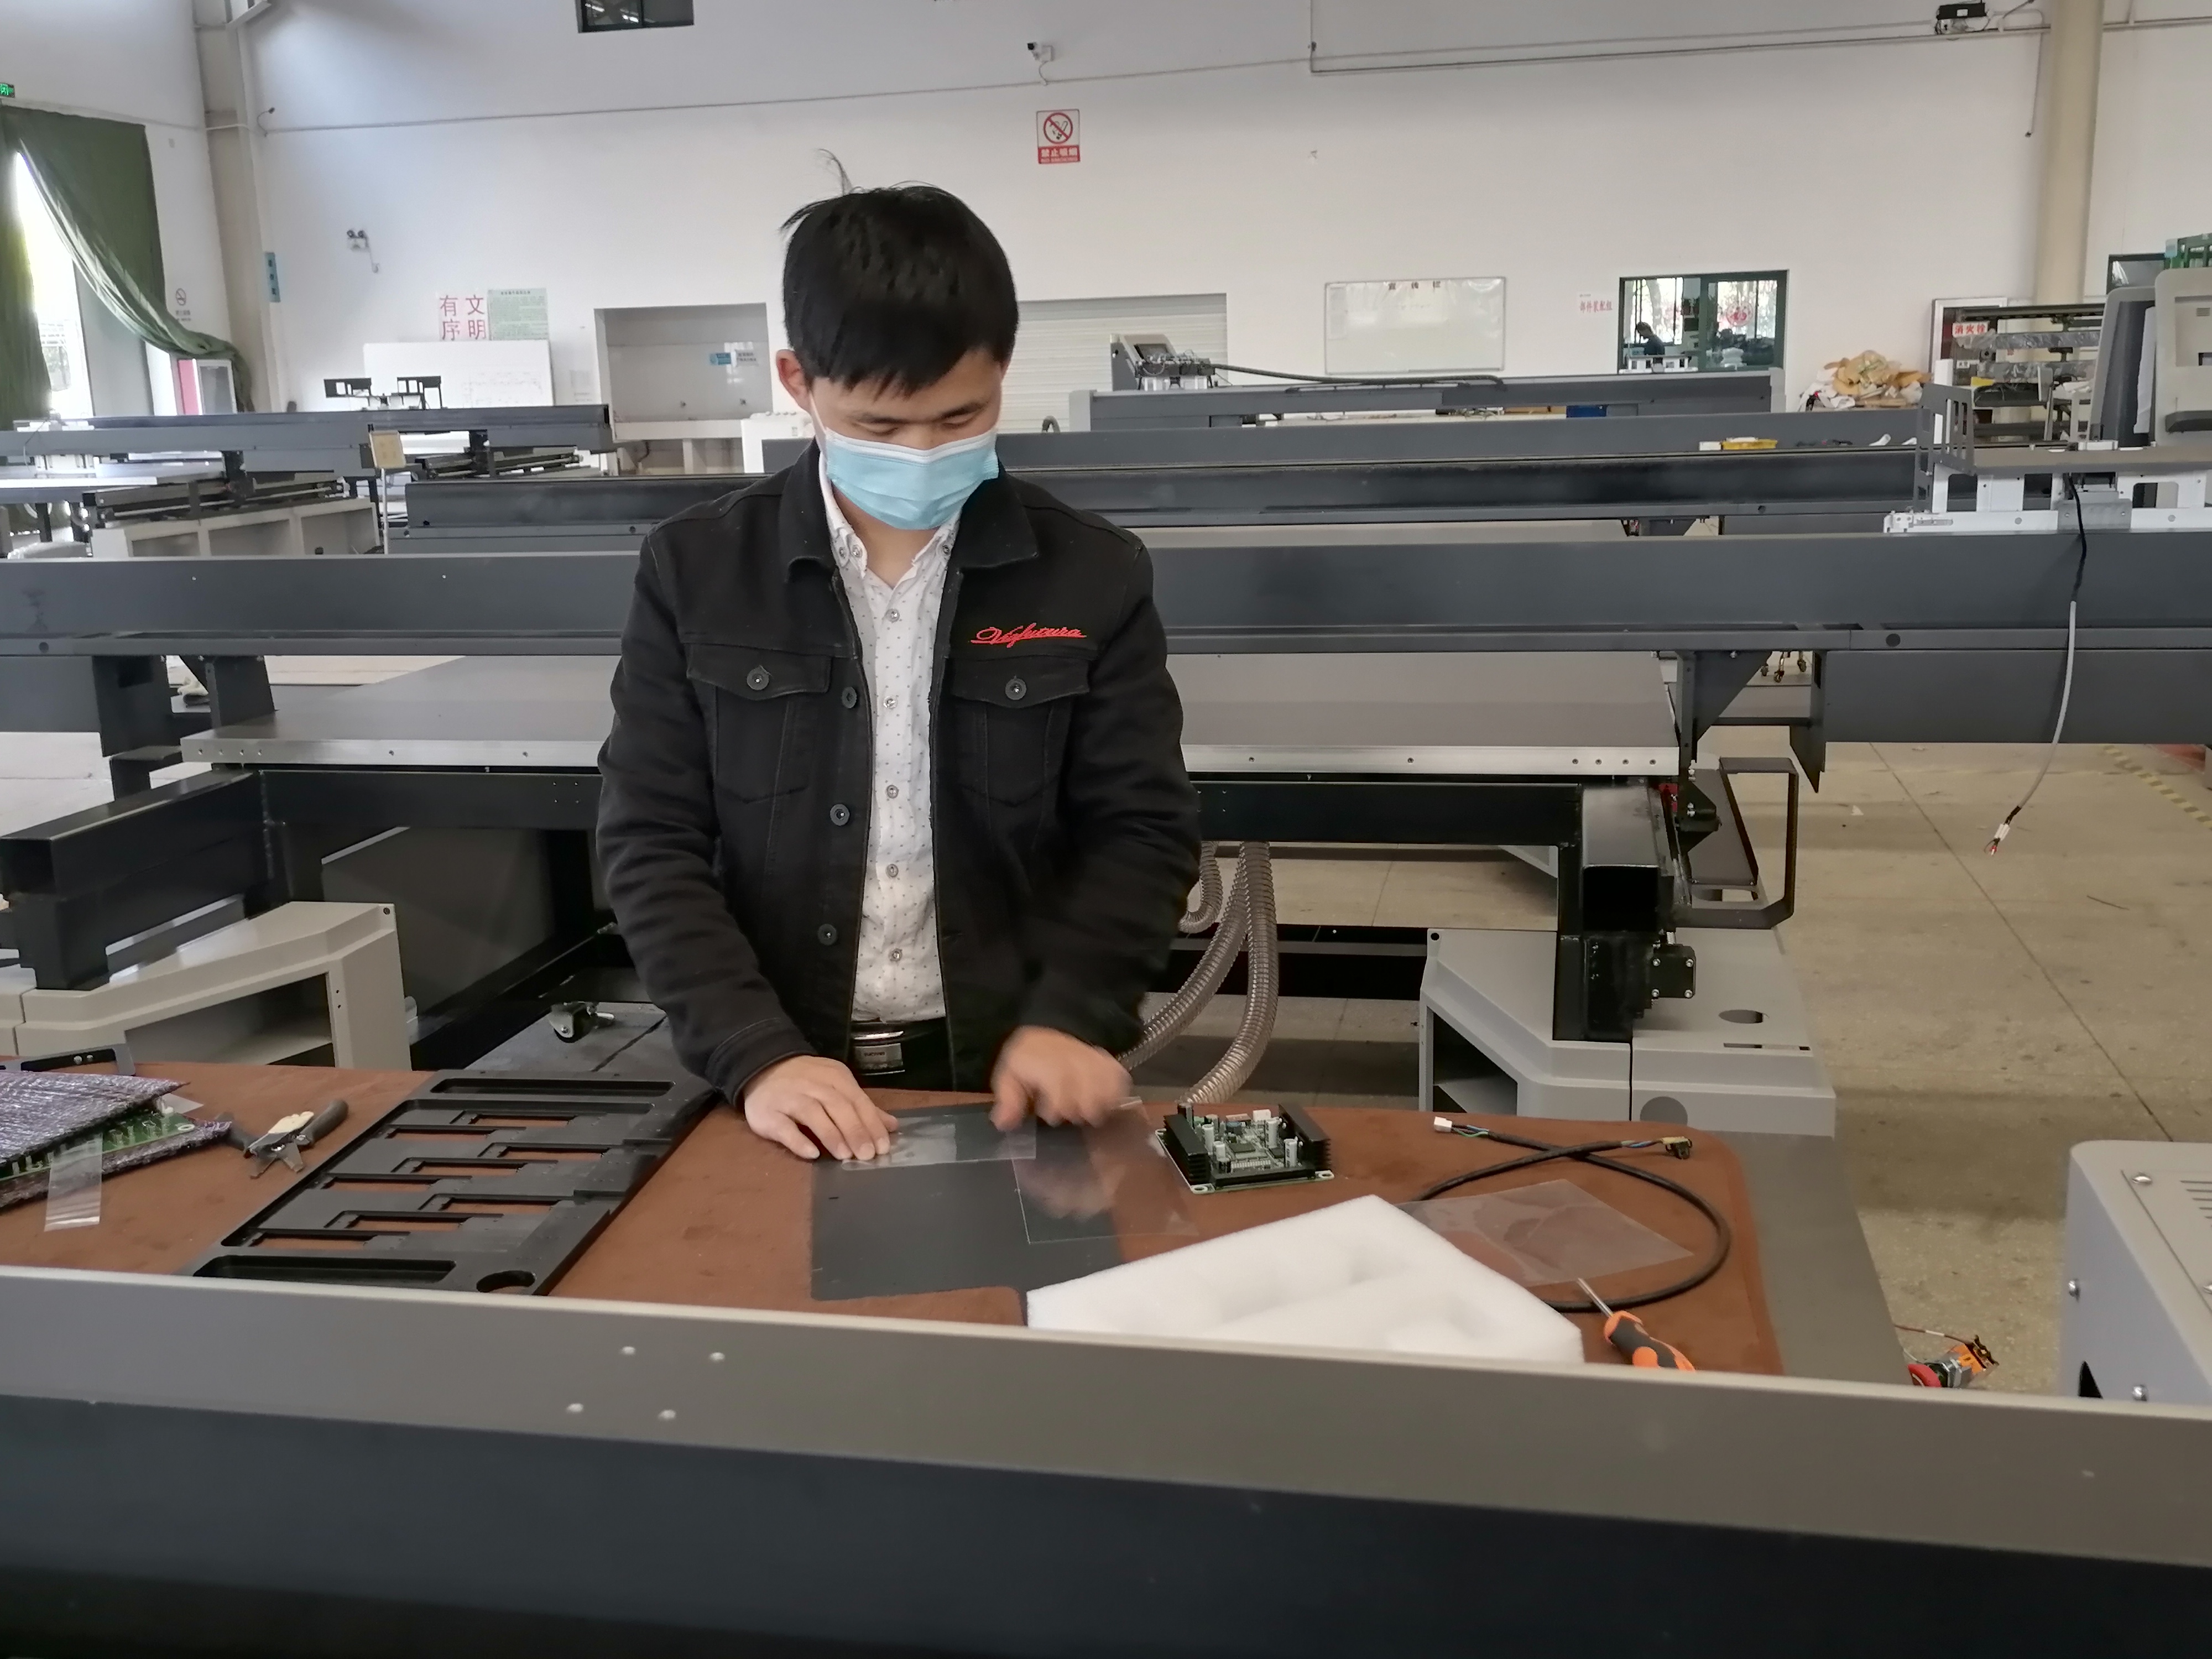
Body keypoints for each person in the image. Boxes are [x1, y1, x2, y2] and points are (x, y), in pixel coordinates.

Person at [596, 185, 1201, 1165]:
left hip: (1004, 1076)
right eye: (880, 427)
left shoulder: (1091, 573)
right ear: (798, 380)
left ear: (1003, 370)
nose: (923, 452)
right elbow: (650, 838)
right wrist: (754, 1052)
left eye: (961, 416)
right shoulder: (697, 572)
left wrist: (1074, 1015)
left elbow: (1140, 828)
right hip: (778, 1086)